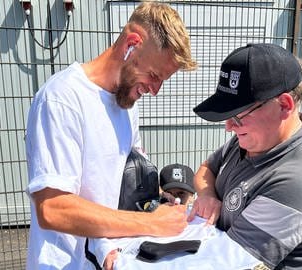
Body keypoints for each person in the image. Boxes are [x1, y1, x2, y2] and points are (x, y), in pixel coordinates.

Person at [24, 2, 197, 269]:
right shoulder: (61, 99)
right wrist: (152, 223)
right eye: (153, 75)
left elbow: (125, 181)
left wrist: (162, 199)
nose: (155, 90)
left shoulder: (127, 106)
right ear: (131, 43)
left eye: (162, 80)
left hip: (108, 258)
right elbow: (52, 208)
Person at [189, 43, 302, 269]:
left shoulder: (299, 181)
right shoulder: (252, 139)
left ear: (284, 105)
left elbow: (225, 264)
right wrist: (208, 195)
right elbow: (206, 169)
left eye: (238, 116)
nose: (228, 127)